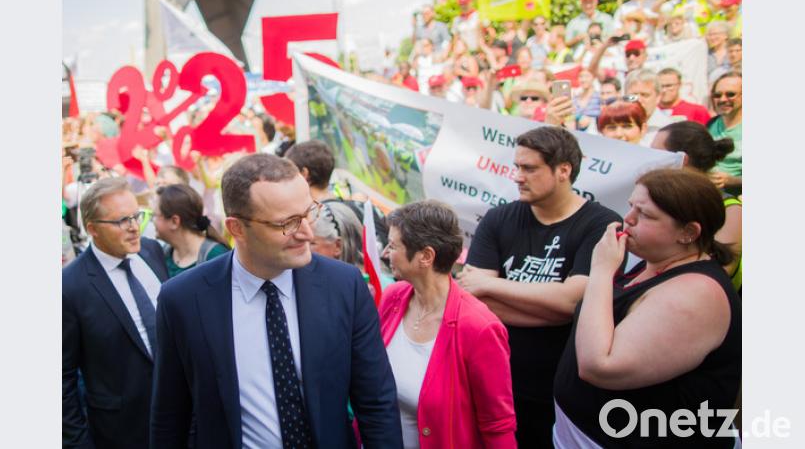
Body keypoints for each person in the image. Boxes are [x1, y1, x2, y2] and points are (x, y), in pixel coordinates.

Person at [150, 154, 403, 449]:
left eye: (309, 213)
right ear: (237, 229)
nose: (307, 233)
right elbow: (170, 416)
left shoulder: (344, 286)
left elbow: (376, 402)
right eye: (287, 223)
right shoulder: (182, 300)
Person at [456, 126, 623, 448]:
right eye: (517, 167)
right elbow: (474, 298)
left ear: (563, 170)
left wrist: (495, 285)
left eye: (529, 168)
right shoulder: (498, 218)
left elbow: (575, 301)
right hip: (497, 379)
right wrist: (557, 306)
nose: (518, 176)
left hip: (562, 390)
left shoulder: (600, 224)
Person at [553, 168, 741, 447]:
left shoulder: (696, 294)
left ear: (689, 232)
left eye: (646, 215)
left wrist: (602, 270)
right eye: (631, 207)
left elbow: (600, 366)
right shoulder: (654, 261)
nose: (627, 219)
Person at [379, 200, 517, 449]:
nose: (385, 253)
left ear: (426, 256)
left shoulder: (479, 328)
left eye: (394, 246)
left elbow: (498, 425)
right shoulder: (394, 298)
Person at [63, 177, 169, 448]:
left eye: (136, 216)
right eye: (122, 221)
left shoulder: (151, 251)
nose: (134, 227)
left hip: (179, 418)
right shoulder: (69, 287)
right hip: (121, 432)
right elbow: (62, 380)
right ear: (92, 229)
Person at [652, 121, 742, 291]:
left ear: (682, 160)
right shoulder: (662, 201)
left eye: (656, 153)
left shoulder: (731, 209)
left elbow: (721, 270)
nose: (650, 160)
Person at [153, 184, 230, 278]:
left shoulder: (216, 257)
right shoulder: (165, 253)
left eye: (155, 215)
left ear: (174, 221)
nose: (153, 221)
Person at [707, 71, 742, 195]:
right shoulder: (709, 125)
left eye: (730, 94)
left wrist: (733, 181)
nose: (723, 99)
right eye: (717, 95)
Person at [625, 68, 675, 145]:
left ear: (658, 97)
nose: (638, 100)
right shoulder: (615, 126)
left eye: (645, 95)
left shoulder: (669, 129)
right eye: (633, 95)